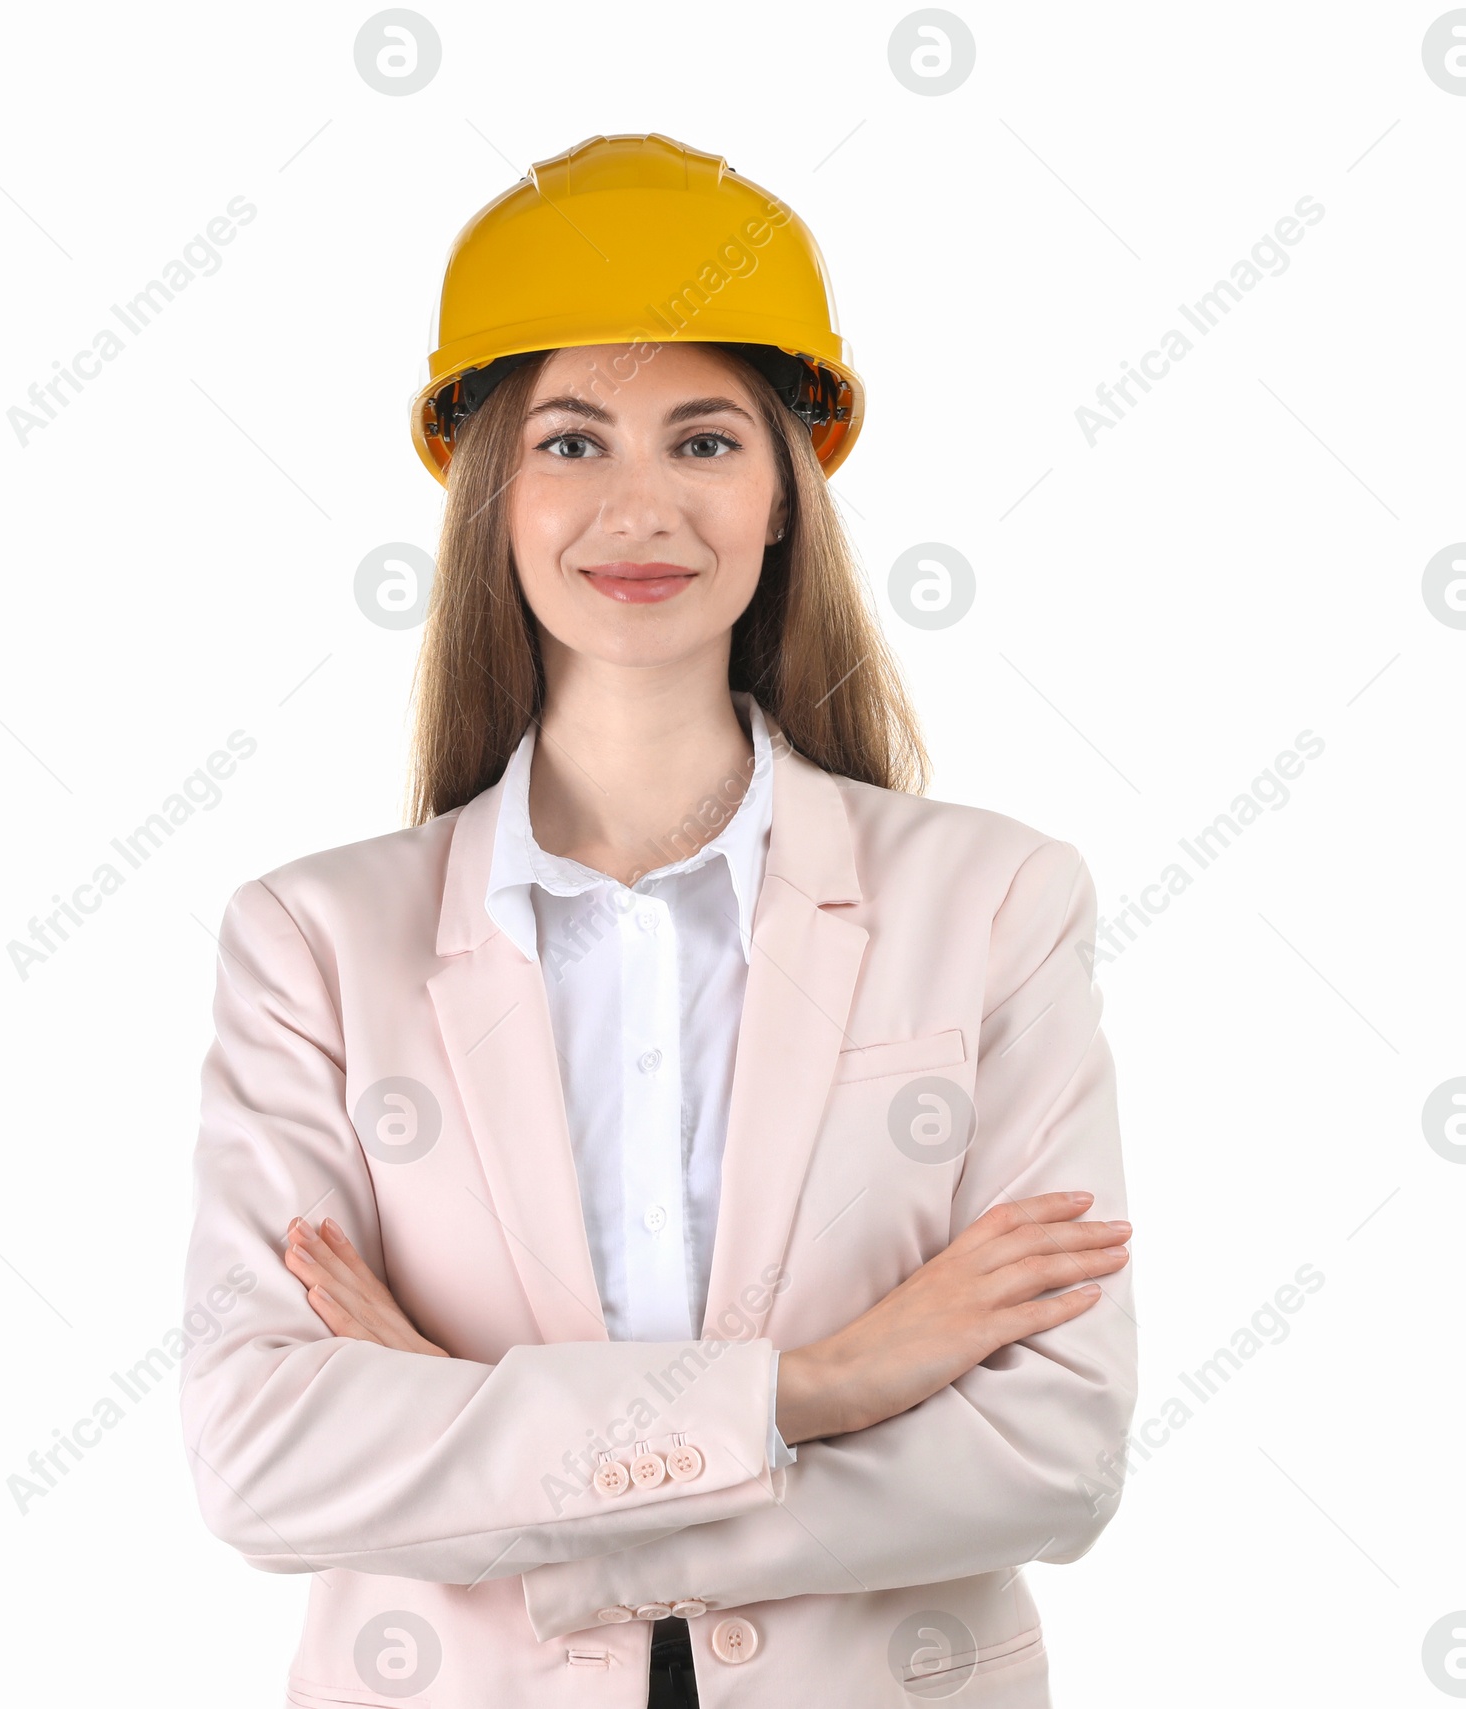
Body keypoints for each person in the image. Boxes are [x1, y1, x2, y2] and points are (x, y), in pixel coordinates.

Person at [180, 132, 1136, 1709]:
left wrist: (500, 1448)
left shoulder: (998, 902)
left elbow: (1054, 1451)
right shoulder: (311, 942)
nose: (641, 505)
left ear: (783, 495)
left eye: (704, 440)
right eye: (571, 441)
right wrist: (815, 1388)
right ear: (495, 495)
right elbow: (262, 1457)